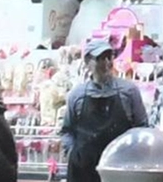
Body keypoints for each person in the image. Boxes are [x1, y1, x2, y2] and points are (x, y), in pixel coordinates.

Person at [60, 39, 149, 182]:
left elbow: (142, 128)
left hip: (120, 168)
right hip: (84, 171)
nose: (107, 63)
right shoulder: (77, 95)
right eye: (101, 58)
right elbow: (67, 130)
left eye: (110, 57)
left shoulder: (129, 91)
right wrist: (72, 152)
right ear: (88, 61)